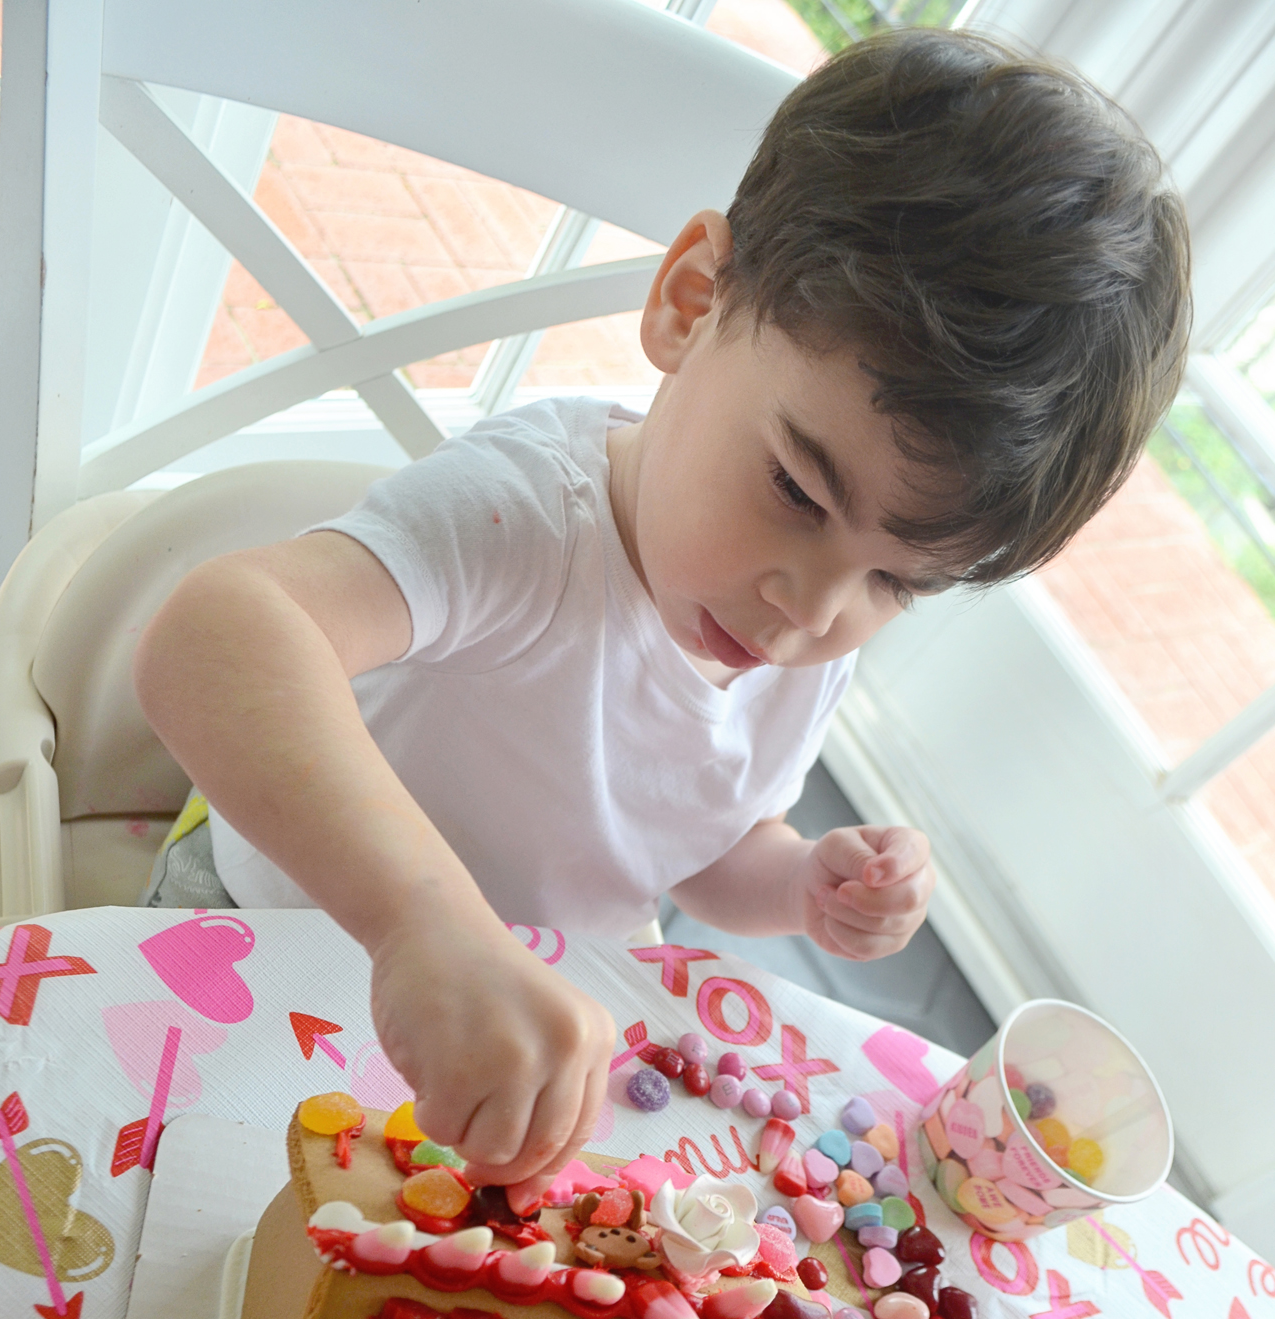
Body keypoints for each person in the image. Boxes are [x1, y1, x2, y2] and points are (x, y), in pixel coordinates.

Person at [133, 28, 1189, 1193]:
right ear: (691, 302)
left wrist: (796, 881)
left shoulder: (795, 619)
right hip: (288, 936)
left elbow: (694, 846)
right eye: (795, 487)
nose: (810, 609)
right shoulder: (526, 525)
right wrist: (422, 925)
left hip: (537, 1031)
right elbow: (215, 633)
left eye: (899, 579)